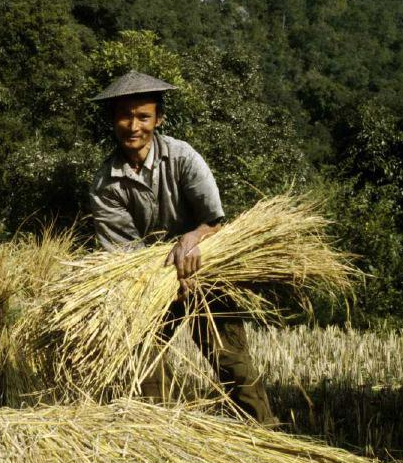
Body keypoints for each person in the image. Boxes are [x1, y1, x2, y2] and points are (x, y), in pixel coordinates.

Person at [87, 70, 276, 425]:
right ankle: (164, 439)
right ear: (112, 120)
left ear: (159, 119)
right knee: (144, 363)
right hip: (147, 284)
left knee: (232, 362)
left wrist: (193, 238)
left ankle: (263, 433)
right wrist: (169, 272)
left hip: (205, 271)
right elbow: (122, 255)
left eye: (143, 117)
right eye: (124, 116)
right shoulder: (106, 184)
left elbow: (214, 221)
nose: (133, 126)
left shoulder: (182, 157)